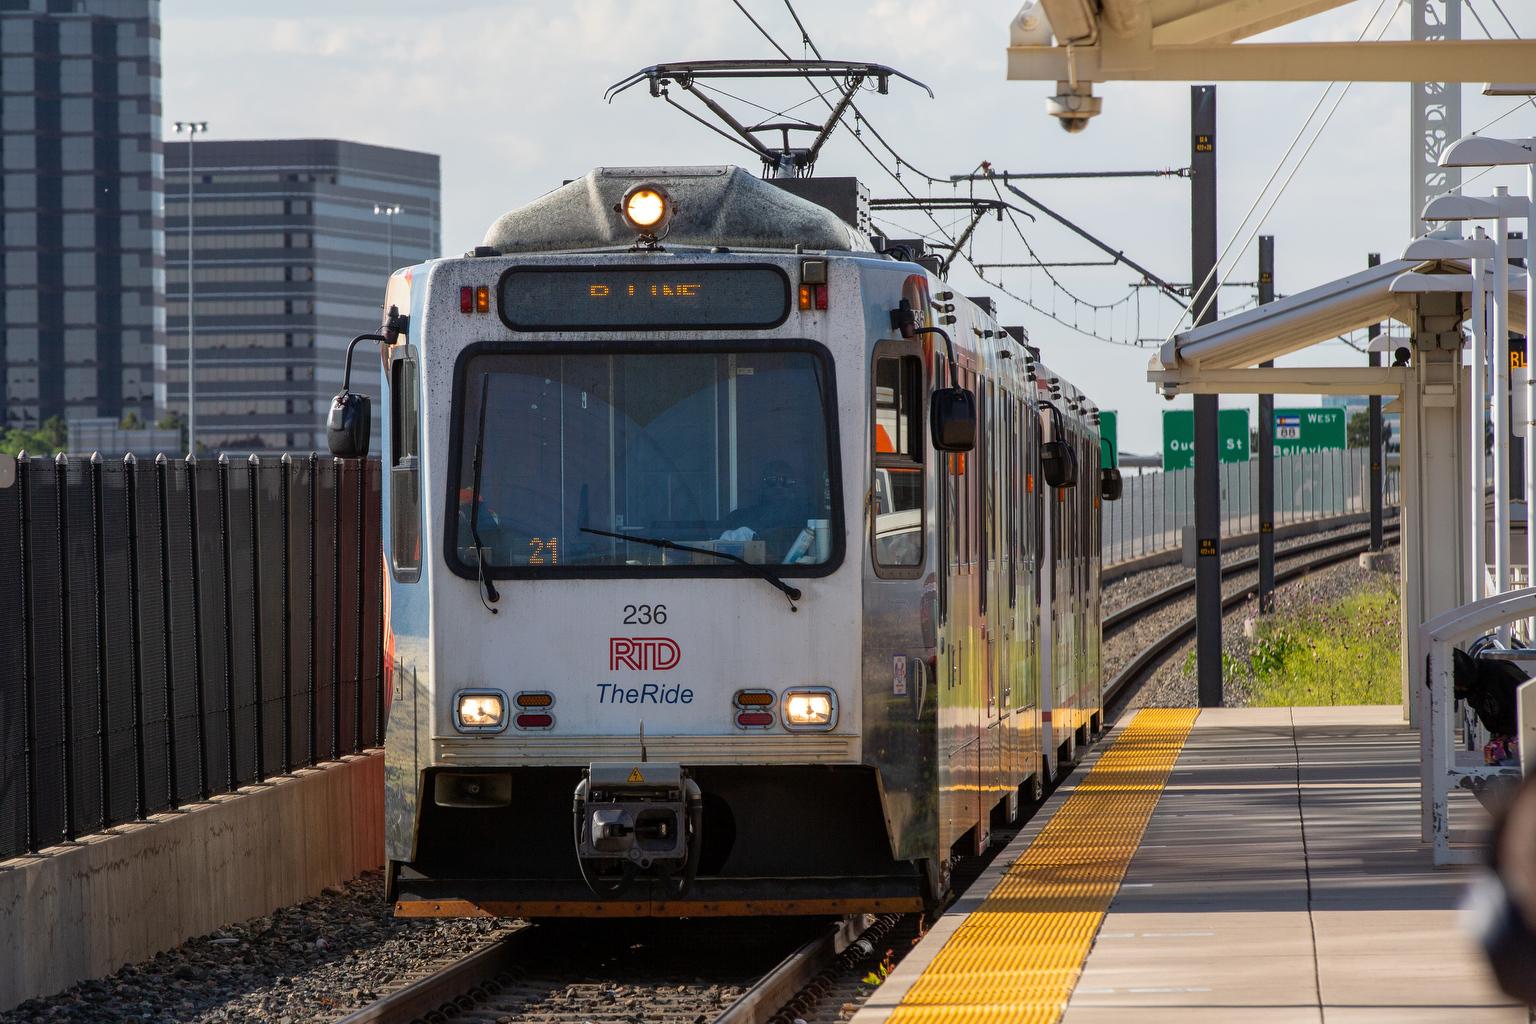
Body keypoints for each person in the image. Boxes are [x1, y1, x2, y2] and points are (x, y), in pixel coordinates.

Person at [722, 460, 813, 562]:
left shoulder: (808, 519)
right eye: (771, 481)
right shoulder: (738, 518)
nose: (778, 487)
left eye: (785, 481)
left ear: (794, 486)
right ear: (762, 486)